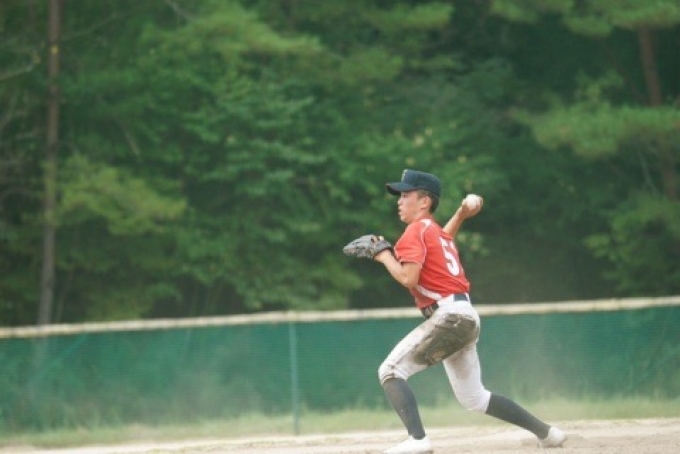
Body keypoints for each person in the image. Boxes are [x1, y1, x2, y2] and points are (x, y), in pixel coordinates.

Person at [371, 169, 566, 454]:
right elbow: (444, 238)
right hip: (464, 315)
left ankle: (417, 439)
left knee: (390, 371)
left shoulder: (415, 231)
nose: (399, 201)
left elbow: (408, 279)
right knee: (475, 398)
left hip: (449, 317)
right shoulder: (433, 232)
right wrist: (461, 215)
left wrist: (384, 256)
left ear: (424, 201)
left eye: (405, 195)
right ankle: (548, 434)